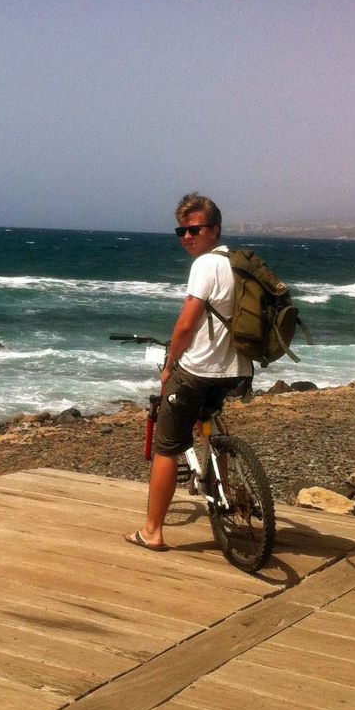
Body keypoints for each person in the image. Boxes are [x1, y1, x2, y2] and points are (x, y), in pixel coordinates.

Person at [125, 192, 252, 552]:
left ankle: (152, 531)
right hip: (236, 370)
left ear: (215, 229)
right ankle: (223, 493)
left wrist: (169, 367)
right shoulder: (237, 262)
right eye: (181, 230)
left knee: (167, 447)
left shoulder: (205, 266)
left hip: (199, 370)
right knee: (207, 421)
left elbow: (186, 324)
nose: (187, 237)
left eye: (194, 229)